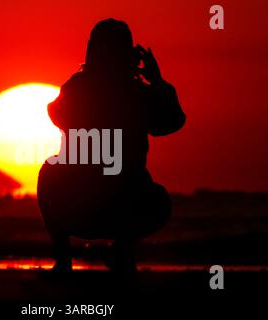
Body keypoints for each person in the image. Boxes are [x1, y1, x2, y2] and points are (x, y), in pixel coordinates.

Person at [37, 18, 186, 273]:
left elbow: (55, 114)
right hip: (121, 206)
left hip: (79, 206)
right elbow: (172, 121)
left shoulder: (76, 88)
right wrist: (157, 82)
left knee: (49, 171)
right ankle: (121, 251)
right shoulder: (138, 94)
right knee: (159, 200)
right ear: (128, 53)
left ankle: (65, 259)